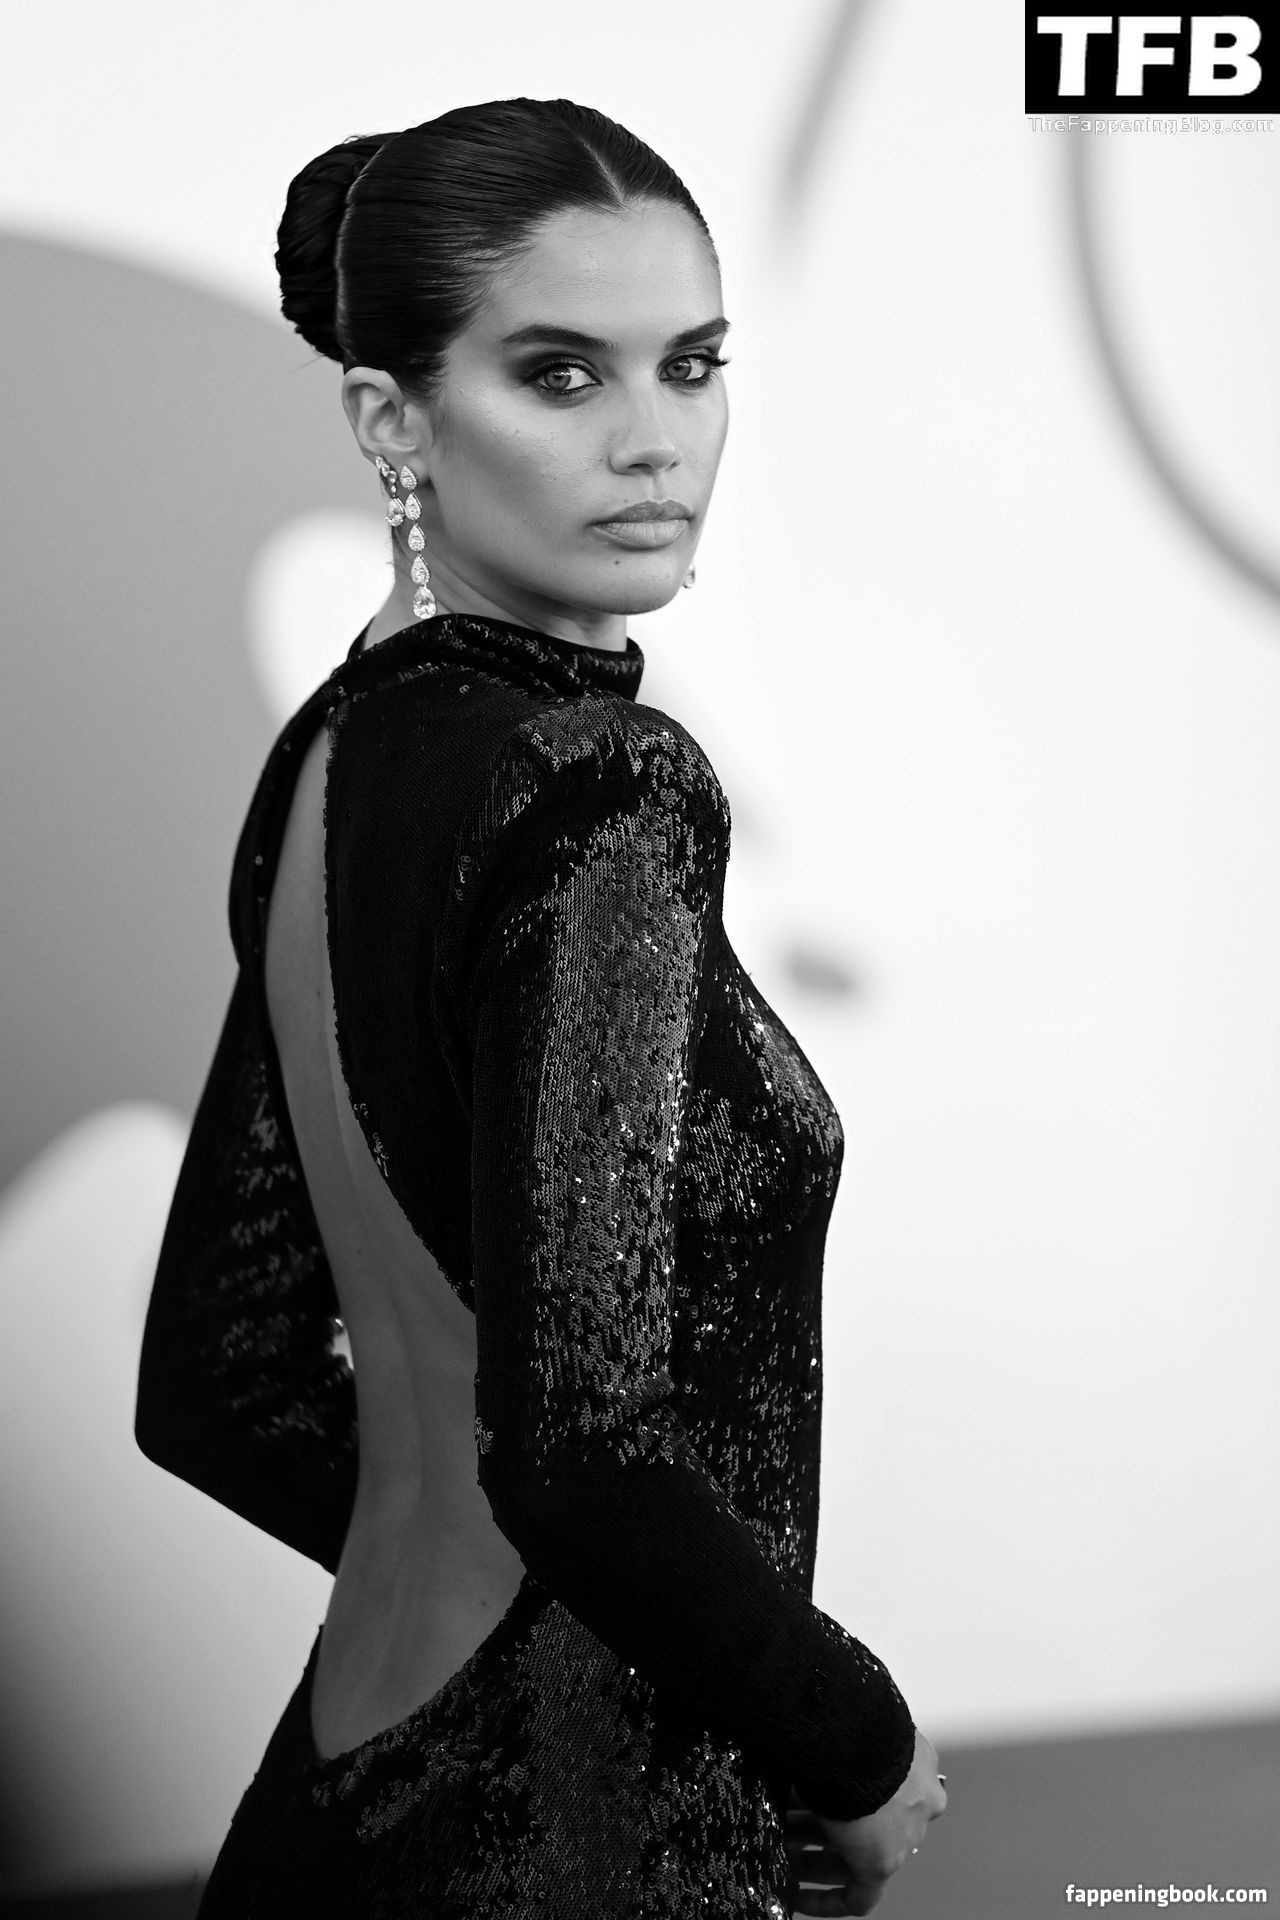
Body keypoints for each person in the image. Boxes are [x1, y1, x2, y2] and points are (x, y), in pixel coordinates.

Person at [135, 97, 947, 1919]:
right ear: (391, 420)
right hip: (574, 1834)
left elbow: (223, 1386)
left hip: (341, 1804)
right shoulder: (602, 785)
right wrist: (847, 1743)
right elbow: (580, 1451)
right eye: (562, 375)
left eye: (693, 365)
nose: (656, 440)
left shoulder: (327, 757)